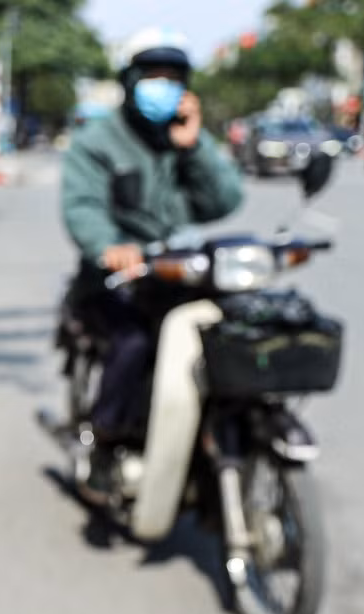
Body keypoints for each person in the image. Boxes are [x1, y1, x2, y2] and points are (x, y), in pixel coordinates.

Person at [60, 27, 244, 498]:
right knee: (135, 342)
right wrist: (109, 246)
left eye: (171, 77)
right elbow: (82, 206)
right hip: (116, 279)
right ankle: (105, 441)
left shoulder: (185, 141)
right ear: (130, 80)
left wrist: (194, 147)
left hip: (179, 273)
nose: (162, 86)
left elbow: (225, 201)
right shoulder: (98, 140)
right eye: (152, 76)